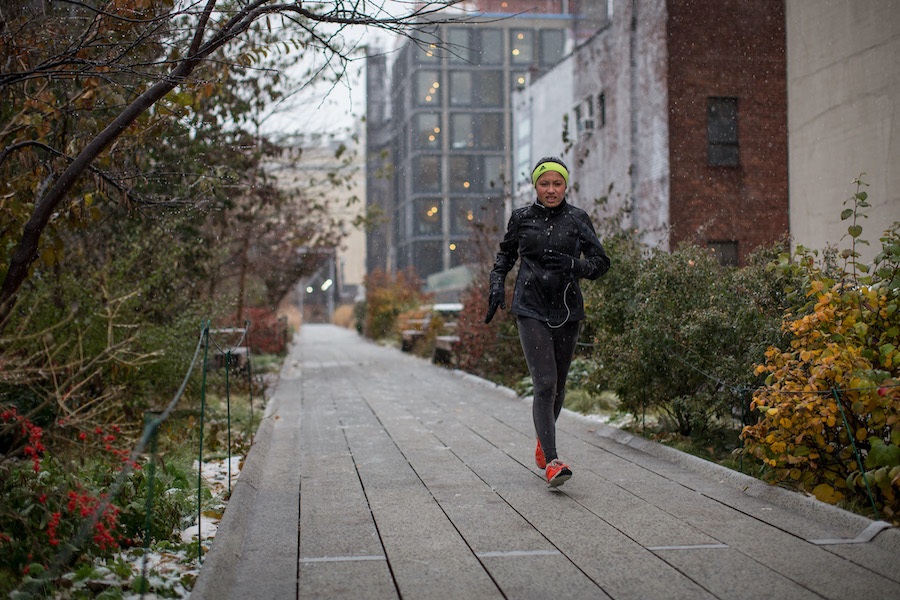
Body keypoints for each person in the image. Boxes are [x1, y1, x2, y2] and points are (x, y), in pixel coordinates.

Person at [485, 157, 610, 487]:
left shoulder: (577, 219)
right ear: (535, 186)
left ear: (565, 185)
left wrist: (573, 263)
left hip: (568, 310)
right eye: (545, 184)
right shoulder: (522, 219)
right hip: (531, 308)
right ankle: (553, 461)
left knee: (559, 386)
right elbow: (504, 258)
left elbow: (600, 263)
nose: (551, 190)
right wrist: (497, 285)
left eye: (557, 184)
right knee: (544, 383)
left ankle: (544, 442)